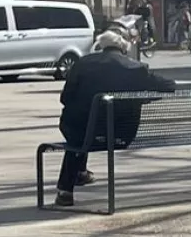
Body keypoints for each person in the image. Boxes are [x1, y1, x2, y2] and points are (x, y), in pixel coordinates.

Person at [54, 30, 178, 207]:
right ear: (124, 48)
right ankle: (80, 173)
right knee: (90, 128)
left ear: (101, 46)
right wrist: (141, 97)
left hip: (79, 130)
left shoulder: (83, 64)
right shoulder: (136, 69)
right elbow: (169, 86)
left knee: (81, 131)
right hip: (122, 134)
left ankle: (65, 191)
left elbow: (65, 98)